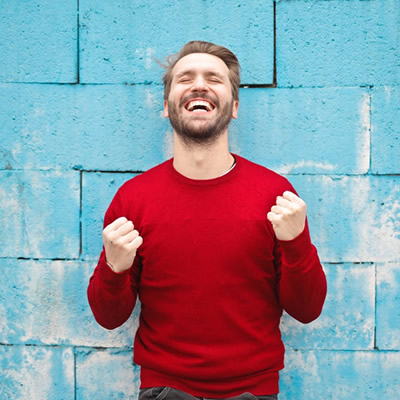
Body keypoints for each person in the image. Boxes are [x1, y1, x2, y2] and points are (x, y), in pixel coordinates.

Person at [87, 41, 327, 400]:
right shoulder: (132, 199)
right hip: (165, 390)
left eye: (213, 78)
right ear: (167, 107)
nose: (199, 85)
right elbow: (108, 317)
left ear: (233, 107)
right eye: (186, 78)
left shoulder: (276, 195)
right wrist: (114, 268)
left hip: (254, 392)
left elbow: (307, 310)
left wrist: (295, 245)